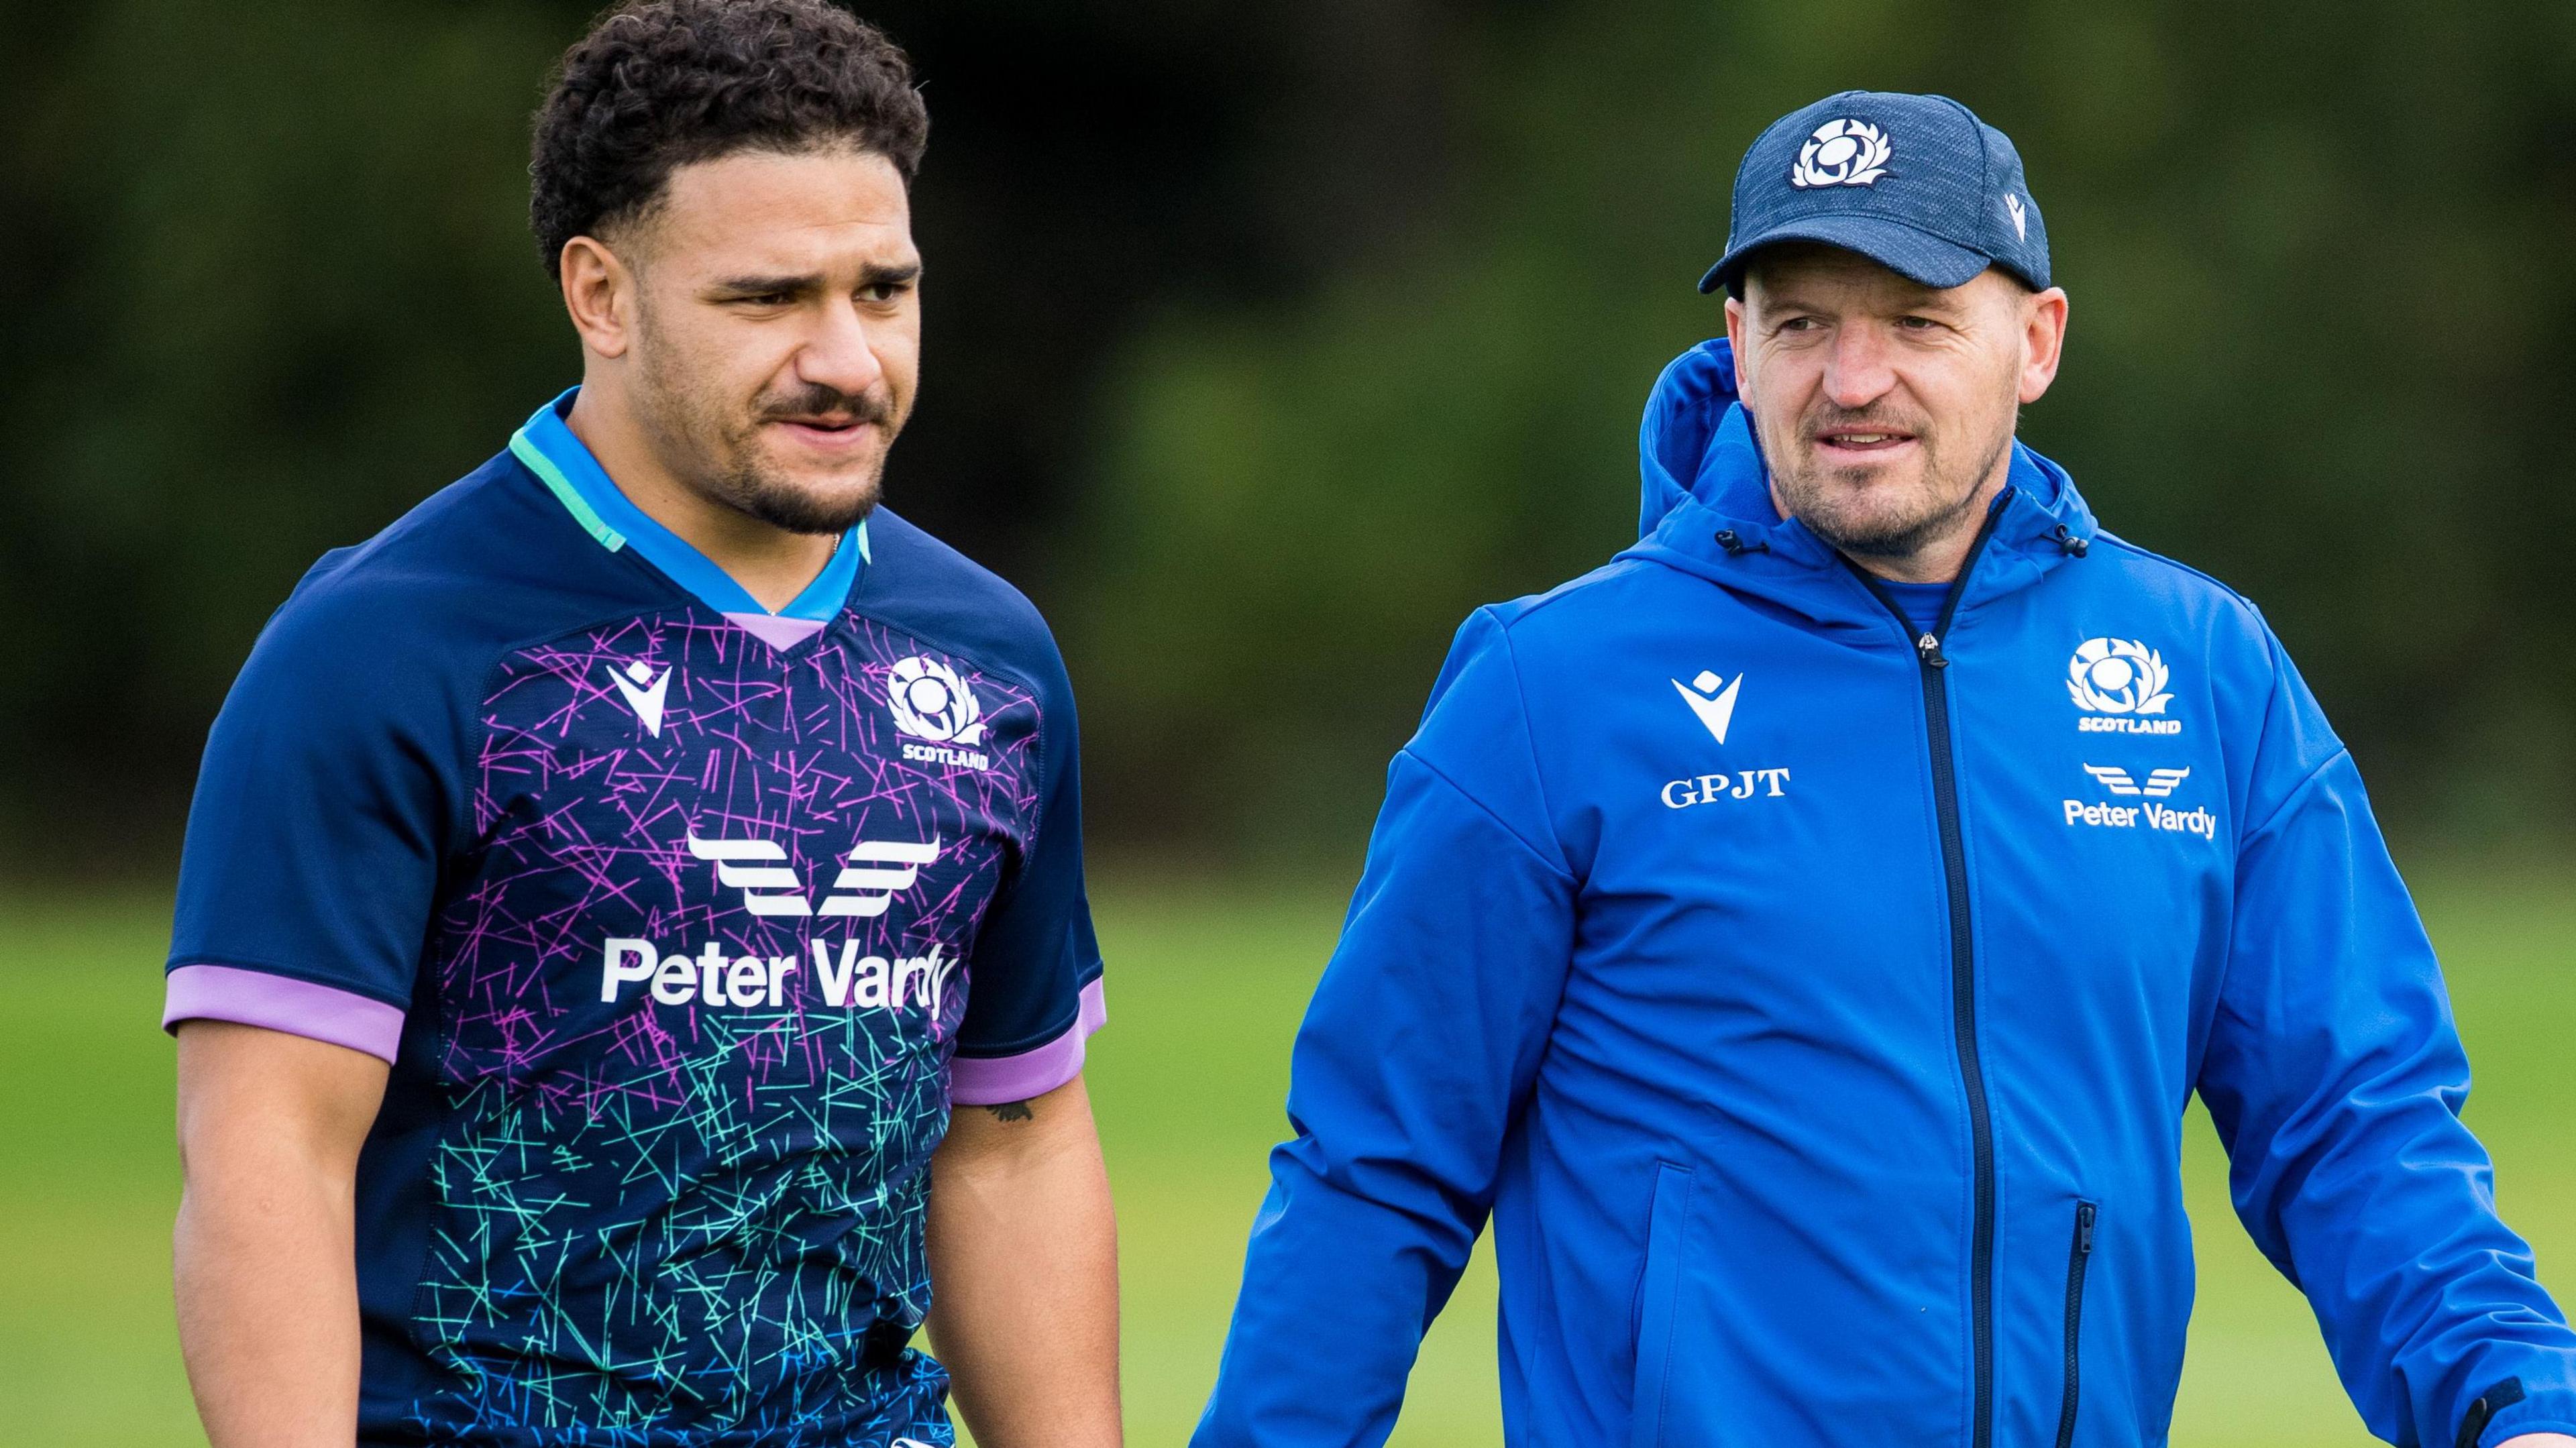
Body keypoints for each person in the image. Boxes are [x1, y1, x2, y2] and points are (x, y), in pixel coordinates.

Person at [1194, 91, 2576, 1448]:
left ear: (2036, 342)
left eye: (1917, 321)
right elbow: (1375, 1175)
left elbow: (2354, 1122)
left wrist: (2516, 1402)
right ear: (1736, 346)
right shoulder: (1546, 689)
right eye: (1800, 324)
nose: (1853, 381)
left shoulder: (2208, 672)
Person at [162, 5, 1118, 1445]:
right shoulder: (383, 650)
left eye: (884, 290)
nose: (846, 358)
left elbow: (1013, 1142)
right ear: (601, 295)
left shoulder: (990, 659)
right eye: (768, 299)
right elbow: (268, 1159)